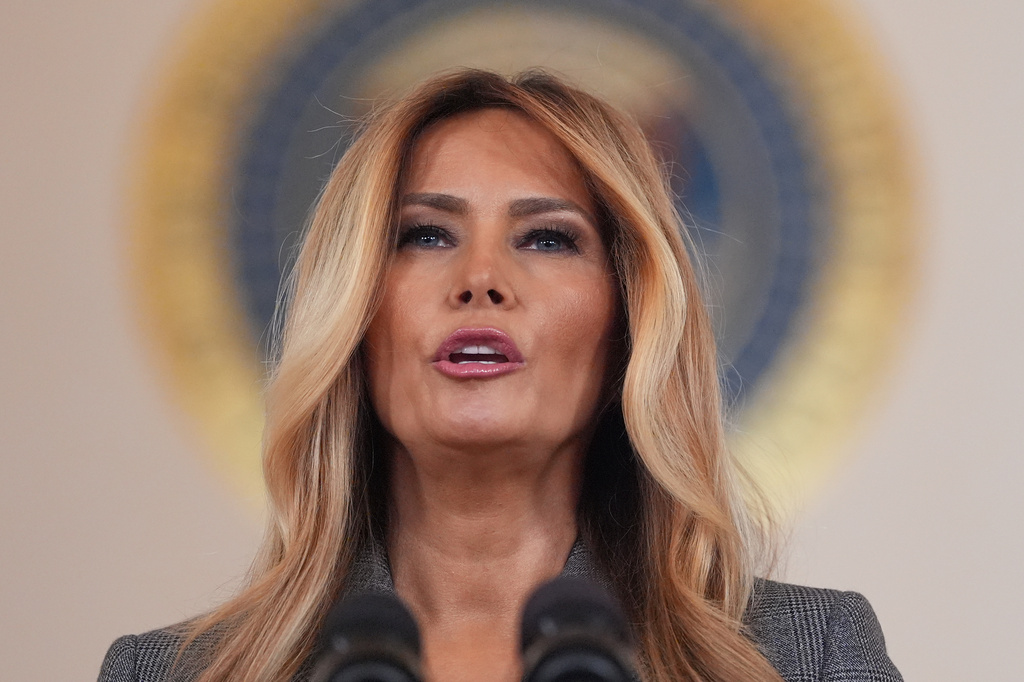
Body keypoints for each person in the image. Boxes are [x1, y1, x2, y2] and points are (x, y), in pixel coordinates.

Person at [98, 69, 902, 682]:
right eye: (424, 235)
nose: (480, 280)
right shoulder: (164, 674)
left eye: (547, 239)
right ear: (355, 312)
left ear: (629, 319)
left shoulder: (806, 655)